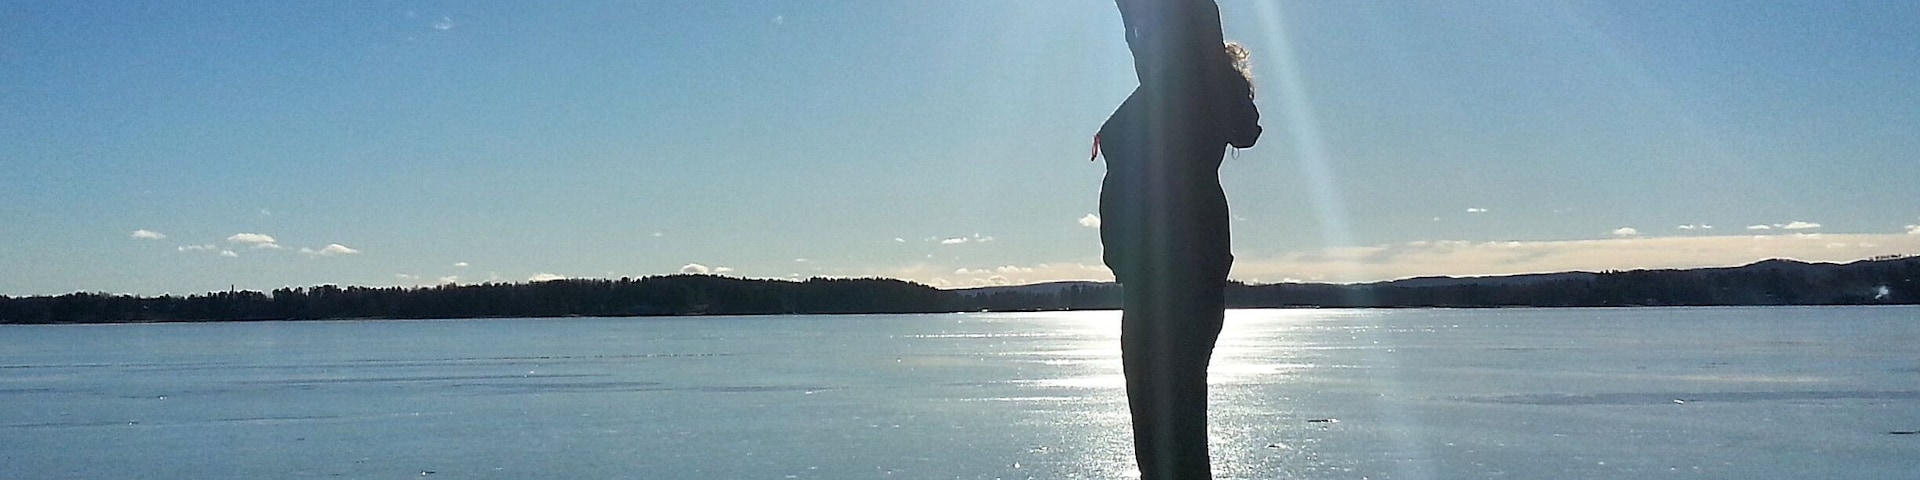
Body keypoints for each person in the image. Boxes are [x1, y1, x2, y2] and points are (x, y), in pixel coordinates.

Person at [1094, 0, 1259, 478]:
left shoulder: (1185, 85)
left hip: (1175, 281)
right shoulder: (1173, 83)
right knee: (1165, 435)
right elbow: (1138, 26)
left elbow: (1156, 24)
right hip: (1159, 282)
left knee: (1169, 435)